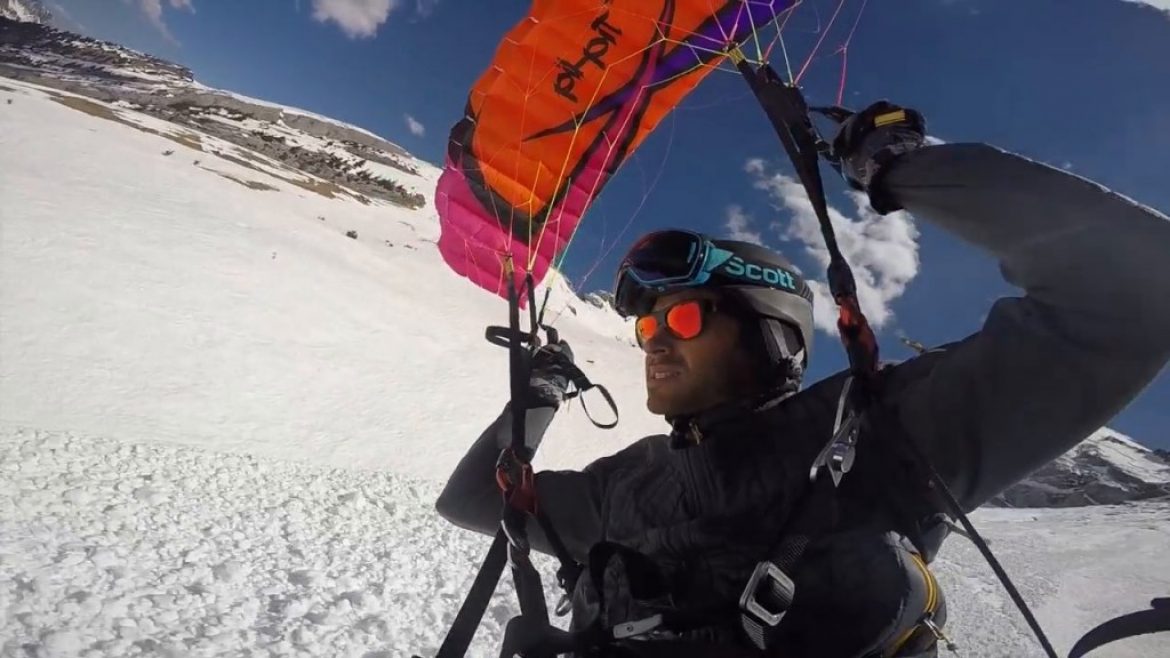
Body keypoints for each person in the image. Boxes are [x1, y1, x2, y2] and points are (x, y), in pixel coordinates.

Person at [435, 101, 1170, 657]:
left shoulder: (879, 431)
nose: (654, 343)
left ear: (770, 333)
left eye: (684, 319)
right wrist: (538, 395)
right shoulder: (623, 484)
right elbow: (474, 501)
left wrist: (900, 166)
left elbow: (1137, 294)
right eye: (648, 327)